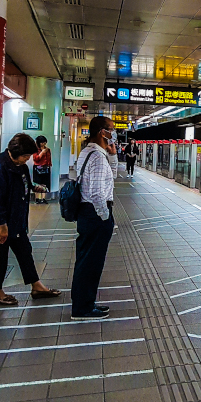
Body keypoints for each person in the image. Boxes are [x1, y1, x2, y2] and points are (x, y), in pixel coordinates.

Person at [0, 133, 61, 306]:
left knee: (24, 251)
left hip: (15, 220)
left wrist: (33, 187)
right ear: (14, 152)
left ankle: (36, 286)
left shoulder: (19, 165)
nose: (27, 160)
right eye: (25, 156)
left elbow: (23, 183)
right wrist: (1, 225)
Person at [71, 116, 116, 320]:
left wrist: (112, 156)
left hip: (87, 212)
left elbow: (110, 179)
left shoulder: (89, 152)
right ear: (101, 132)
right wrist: (105, 217)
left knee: (86, 260)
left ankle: (84, 302)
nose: (113, 133)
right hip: (95, 214)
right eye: (111, 130)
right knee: (91, 262)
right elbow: (98, 193)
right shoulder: (97, 157)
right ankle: (82, 308)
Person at [31, 135, 51, 204]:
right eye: (42, 142)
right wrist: (42, 152)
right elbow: (36, 159)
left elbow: (49, 159)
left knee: (45, 183)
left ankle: (43, 198)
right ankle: (37, 198)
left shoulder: (48, 150)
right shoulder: (35, 150)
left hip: (46, 168)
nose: (44, 144)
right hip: (37, 168)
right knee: (37, 183)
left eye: (44, 142)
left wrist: (49, 165)